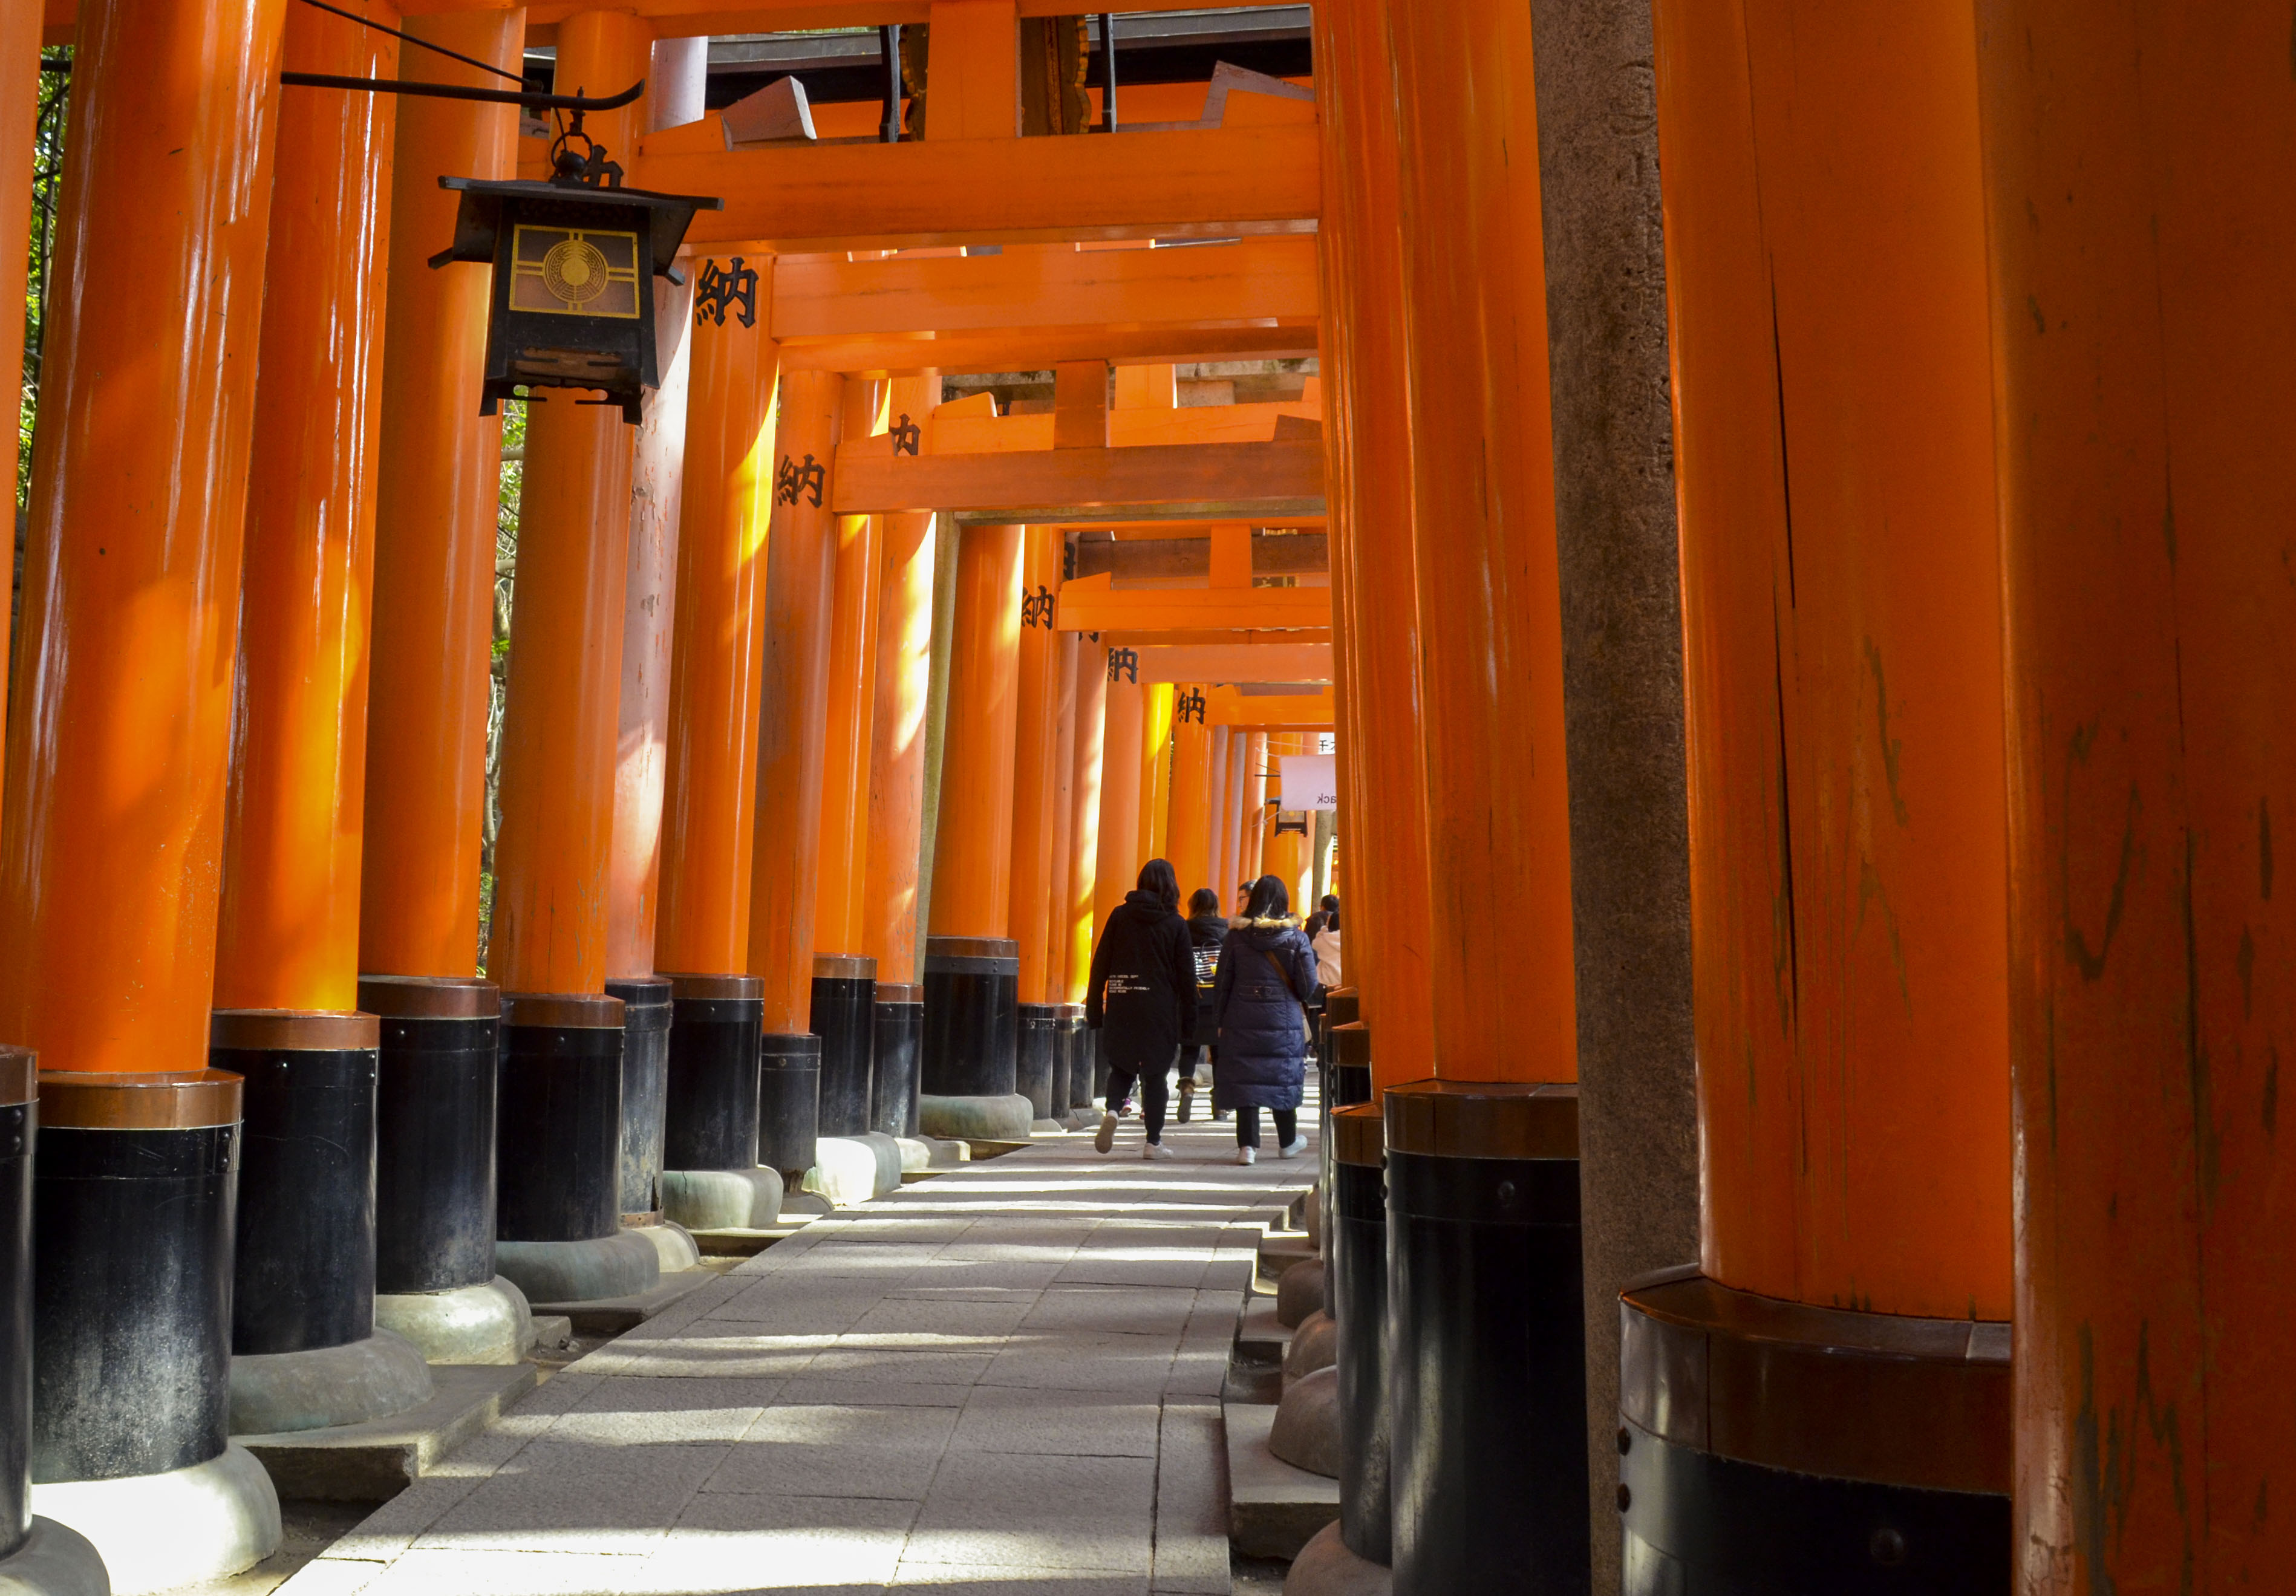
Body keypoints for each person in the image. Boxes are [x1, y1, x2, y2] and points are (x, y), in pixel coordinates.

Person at [1083, 858, 1197, 1160]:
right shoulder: (1176, 924)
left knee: (1122, 1066)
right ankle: (1153, 1142)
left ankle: (1112, 1111)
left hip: (1122, 1002)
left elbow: (1101, 964)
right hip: (1159, 1008)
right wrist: (1190, 1023)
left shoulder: (1120, 916)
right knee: (1156, 1075)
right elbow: (1187, 977)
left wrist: (1094, 1007)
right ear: (1171, 885)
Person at [1211, 874, 1318, 1165]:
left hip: (1240, 1016)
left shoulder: (1235, 937)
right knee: (1282, 1077)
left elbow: (1223, 982)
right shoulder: (1297, 938)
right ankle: (1287, 1142)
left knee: (1246, 1078)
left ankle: (1247, 1147)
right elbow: (1308, 985)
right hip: (1283, 1021)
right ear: (1283, 901)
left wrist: (1219, 1020)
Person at [1178, 887, 1228, 1124]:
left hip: (1192, 998)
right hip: (1218, 1000)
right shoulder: (1227, 930)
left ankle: (1187, 1085)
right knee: (1219, 1053)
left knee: (1189, 1048)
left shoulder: (1184, 930)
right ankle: (1219, 1105)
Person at [1311, 899, 1342, 993]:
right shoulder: (1350, 941)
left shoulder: (1324, 940)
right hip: (1343, 982)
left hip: (1326, 982)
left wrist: (1326, 928)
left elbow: (1314, 944)